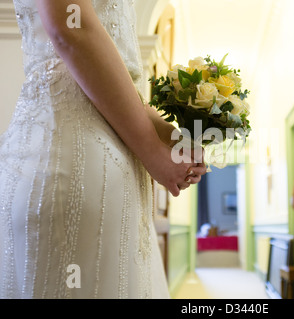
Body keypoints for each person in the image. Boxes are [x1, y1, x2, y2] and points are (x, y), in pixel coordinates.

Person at [0, 0, 206, 298]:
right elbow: (72, 29)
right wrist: (151, 150)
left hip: (99, 162)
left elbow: (116, 74)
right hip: (74, 159)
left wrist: (165, 135)